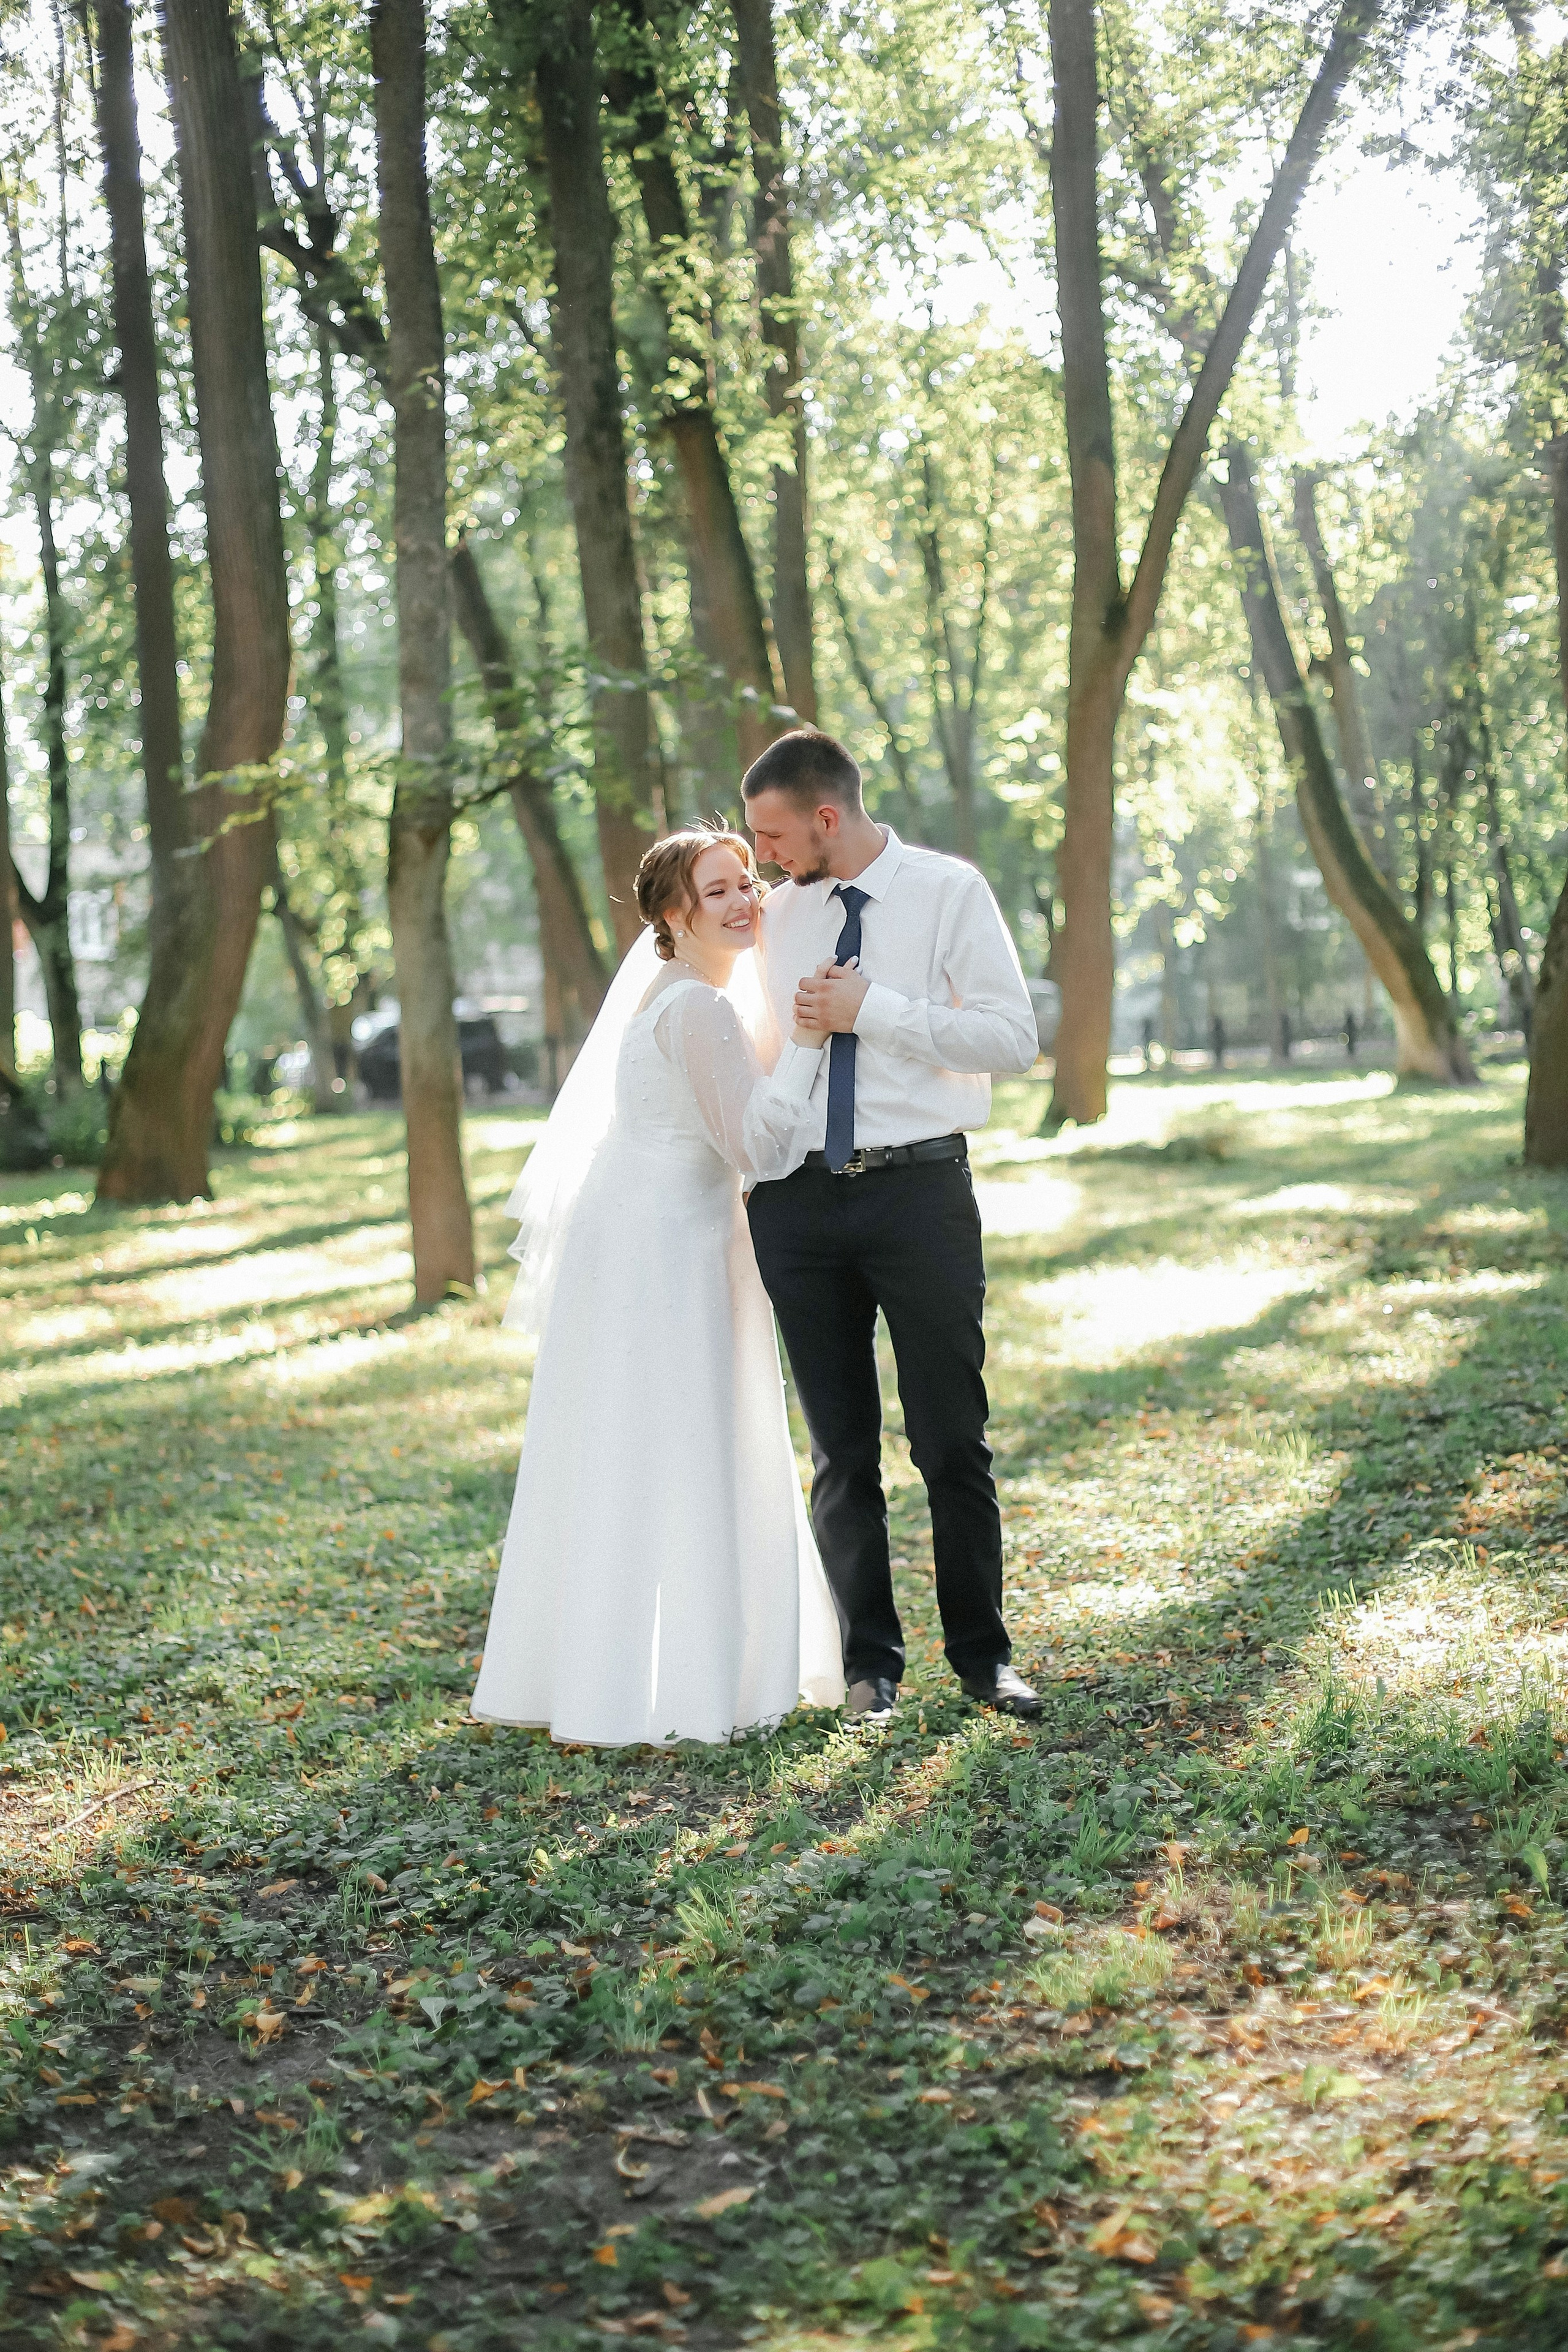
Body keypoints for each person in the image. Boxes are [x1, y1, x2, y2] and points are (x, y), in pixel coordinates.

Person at [470, 825, 845, 1747]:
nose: (745, 900)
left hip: (639, 1233)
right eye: (718, 891)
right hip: (670, 1246)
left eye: (748, 882)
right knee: (685, 1440)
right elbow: (755, 1146)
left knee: (626, 1443)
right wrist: (805, 1042)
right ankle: (693, 1681)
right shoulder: (697, 1012)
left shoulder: (672, 999)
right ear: (675, 914)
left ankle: (613, 1674)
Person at [742, 729, 1043, 1726]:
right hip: (796, 1204)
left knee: (952, 1440)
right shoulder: (773, 920)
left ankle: (982, 1659)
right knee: (840, 1451)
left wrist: (879, 1008)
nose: (766, 857)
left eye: (776, 835)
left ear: (827, 816)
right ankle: (869, 1666)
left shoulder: (950, 893)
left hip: (920, 1195)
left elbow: (1010, 1036)